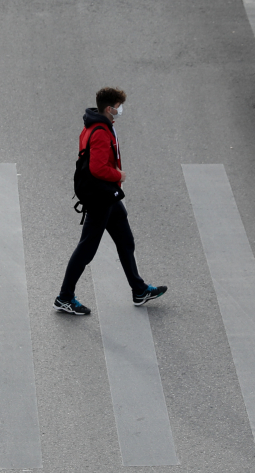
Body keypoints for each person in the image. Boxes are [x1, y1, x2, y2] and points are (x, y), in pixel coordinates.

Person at [54, 87, 167, 315]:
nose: (120, 109)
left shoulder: (96, 125)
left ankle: (139, 289)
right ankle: (64, 297)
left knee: (126, 241)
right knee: (86, 249)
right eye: (118, 106)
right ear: (109, 108)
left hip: (109, 196)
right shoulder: (100, 131)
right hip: (101, 197)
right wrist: (118, 175)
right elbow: (96, 168)